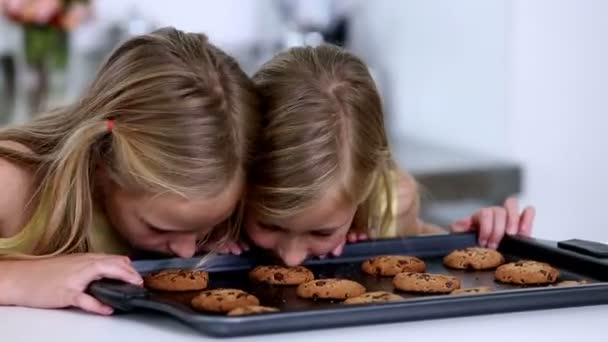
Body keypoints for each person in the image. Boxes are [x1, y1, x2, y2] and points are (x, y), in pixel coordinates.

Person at [0, 27, 259, 314]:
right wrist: (16, 280)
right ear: (101, 161)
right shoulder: (12, 179)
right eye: (159, 228)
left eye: (206, 227)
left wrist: (213, 242)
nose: (186, 250)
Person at [238, 44, 534, 266]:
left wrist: (469, 237)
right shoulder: (213, 215)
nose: (291, 259)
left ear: (366, 187)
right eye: (270, 225)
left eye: (321, 232)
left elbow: (423, 244)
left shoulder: (391, 204)